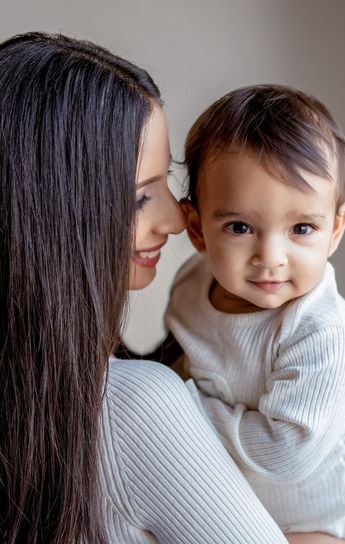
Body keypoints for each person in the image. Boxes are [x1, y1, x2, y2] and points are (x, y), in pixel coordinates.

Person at [0, 33, 292, 544]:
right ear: (49, 218)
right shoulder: (135, 408)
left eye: (168, 181)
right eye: (139, 198)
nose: (177, 219)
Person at [165, 85, 345, 543]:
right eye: (240, 227)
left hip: (329, 525)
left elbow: (286, 454)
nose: (270, 256)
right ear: (197, 229)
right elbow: (189, 359)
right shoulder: (193, 285)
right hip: (246, 512)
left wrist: (183, 409)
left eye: (302, 228)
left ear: (336, 228)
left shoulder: (323, 332)